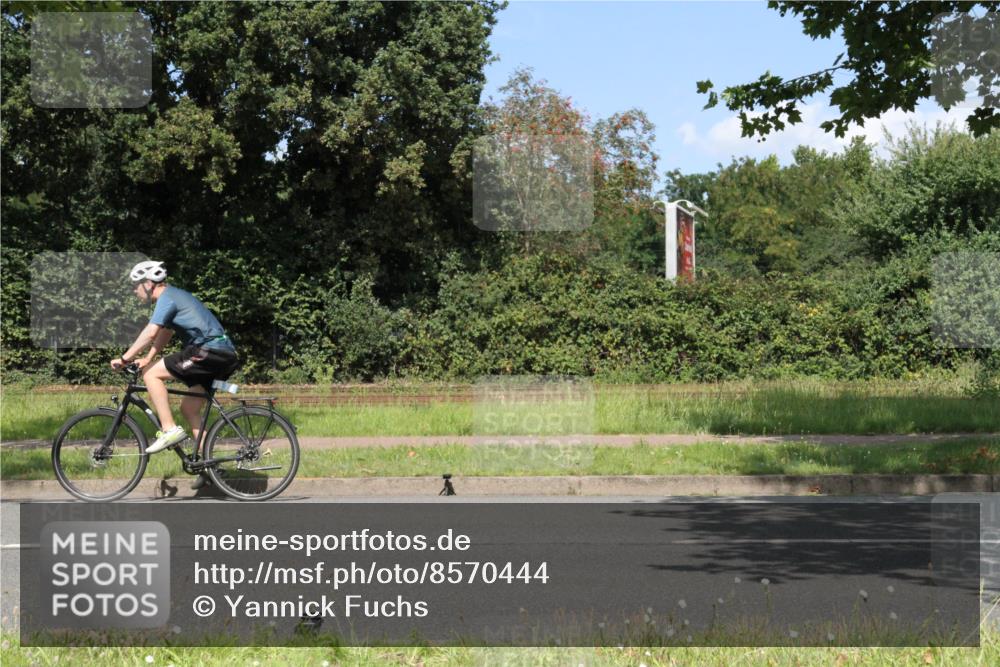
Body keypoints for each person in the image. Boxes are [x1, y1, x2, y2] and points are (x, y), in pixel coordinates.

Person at [111, 261, 240, 460]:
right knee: (189, 409)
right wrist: (148, 357)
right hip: (222, 353)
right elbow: (166, 332)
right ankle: (209, 465)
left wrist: (124, 359)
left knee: (151, 374)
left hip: (209, 350)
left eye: (135, 285)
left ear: (148, 283)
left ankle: (169, 429)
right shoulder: (173, 296)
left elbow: (151, 332)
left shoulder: (167, 297)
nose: (134, 290)